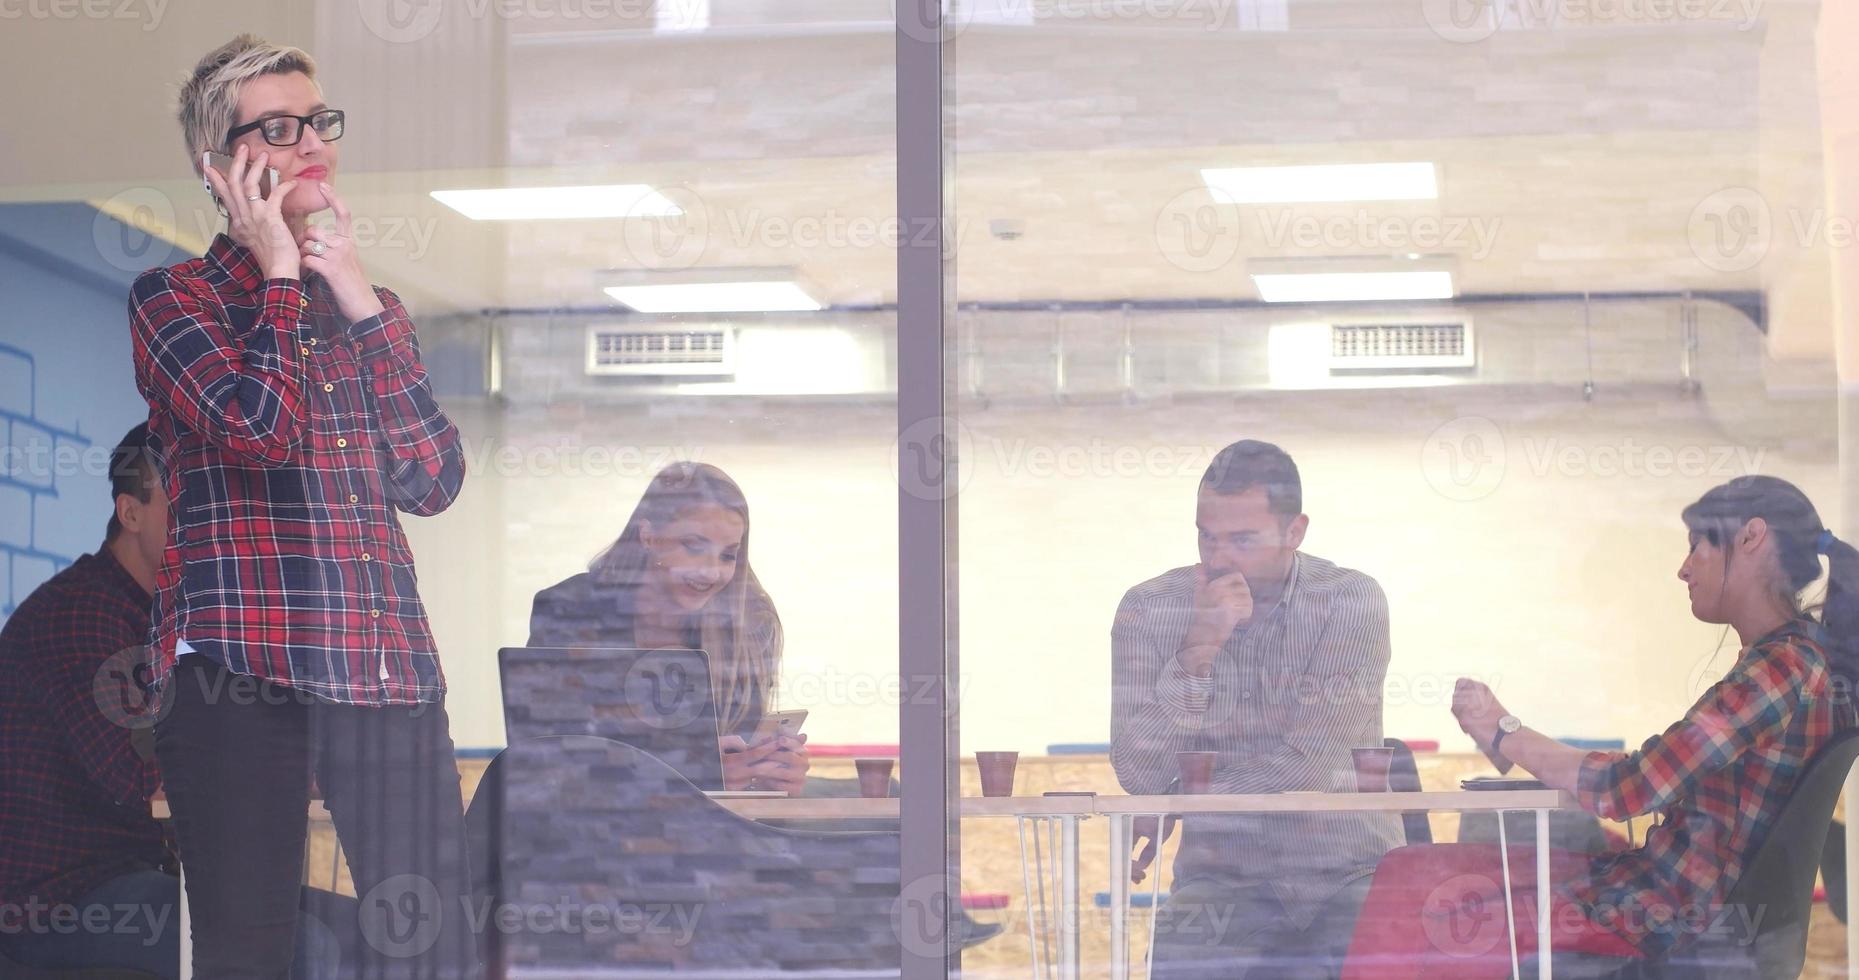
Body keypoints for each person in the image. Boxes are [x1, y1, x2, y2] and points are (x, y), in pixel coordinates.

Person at [129, 36, 477, 978]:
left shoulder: (371, 310)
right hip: (242, 676)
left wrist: (357, 294)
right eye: (278, 128)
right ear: (223, 167)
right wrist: (281, 277)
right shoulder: (174, 300)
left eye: (317, 120)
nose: (312, 140)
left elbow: (431, 481)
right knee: (252, 952)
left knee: (437, 947)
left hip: (386, 670)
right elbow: (258, 433)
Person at [1343, 475, 1859, 977]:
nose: (1683, 569)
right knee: (1425, 878)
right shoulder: (1800, 662)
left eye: (1698, 545)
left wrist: (1504, 730)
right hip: (1671, 900)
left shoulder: (1778, 670)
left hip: (1663, 915)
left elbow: (1630, 788)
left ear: (1751, 536)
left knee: (1412, 884)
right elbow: (1663, 781)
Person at [0, 424, 354, 977]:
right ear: (130, 512)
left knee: (361, 929)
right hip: (63, 898)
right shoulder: (80, 615)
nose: (208, 525)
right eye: (185, 503)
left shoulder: (174, 620)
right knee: (307, 947)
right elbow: (143, 781)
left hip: (159, 873)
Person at [1110, 439, 1404, 978]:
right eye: (1207, 537)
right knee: (1183, 952)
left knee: (1374, 955)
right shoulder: (1149, 609)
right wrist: (1198, 649)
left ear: (1295, 532)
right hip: (1220, 876)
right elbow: (1137, 770)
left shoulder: (1349, 601)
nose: (1218, 559)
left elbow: (1313, 765)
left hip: (1348, 870)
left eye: (1242, 540)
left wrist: (1179, 802)